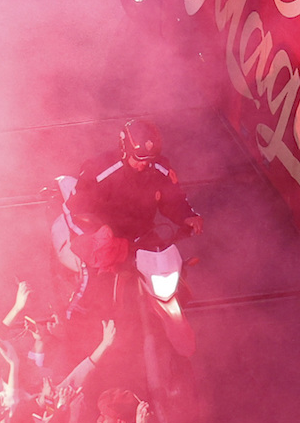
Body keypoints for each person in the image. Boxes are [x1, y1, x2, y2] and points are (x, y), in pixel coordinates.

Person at [65, 118, 200, 323]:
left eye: (149, 158)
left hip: (142, 236)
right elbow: (75, 208)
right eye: (139, 158)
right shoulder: (99, 171)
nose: (144, 163)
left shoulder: (159, 169)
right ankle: (75, 317)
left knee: (172, 271)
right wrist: (96, 234)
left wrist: (187, 216)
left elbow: (173, 197)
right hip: (106, 238)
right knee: (93, 280)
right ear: (124, 150)